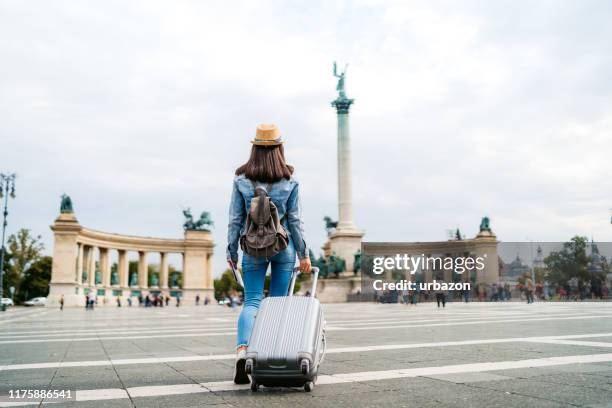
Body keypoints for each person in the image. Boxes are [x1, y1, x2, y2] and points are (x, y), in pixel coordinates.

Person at [226, 124, 310, 385]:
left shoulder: (241, 180)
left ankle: (243, 351)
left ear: (254, 148)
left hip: (252, 248)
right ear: (279, 148)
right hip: (283, 247)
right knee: (276, 304)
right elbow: (295, 221)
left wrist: (231, 251)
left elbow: (235, 220)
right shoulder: (289, 181)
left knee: (252, 301)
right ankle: (269, 355)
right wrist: (304, 254)